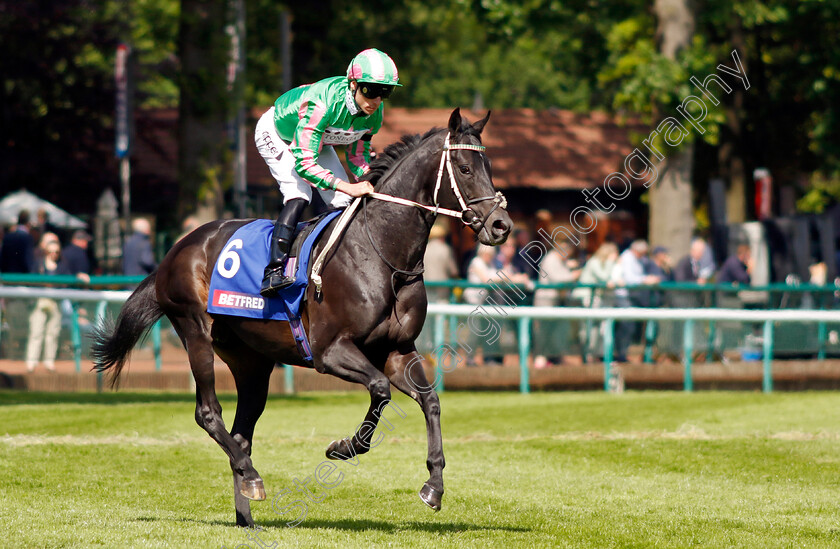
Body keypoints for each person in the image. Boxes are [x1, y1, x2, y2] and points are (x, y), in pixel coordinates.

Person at [255, 48, 400, 296]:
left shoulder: (373, 115)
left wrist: (371, 179)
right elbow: (304, 165)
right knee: (300, 194)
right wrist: (349, 185)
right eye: (371, 90)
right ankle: (273, 272)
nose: (376, 100)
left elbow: (357, 157)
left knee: (345, 203)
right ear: (353, 84)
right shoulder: (322, 103)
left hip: (317, 140)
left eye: (385, 92)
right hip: (277, 133)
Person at [25, 236, 63, 372]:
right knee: (36, 332)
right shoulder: (38, 263)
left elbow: (69, 278)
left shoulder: (62, 265)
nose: (54, 255)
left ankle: (49, 362)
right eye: (51, 252)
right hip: (40, 301)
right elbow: (31, 280)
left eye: (56, 252)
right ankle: (31, 362)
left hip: (55, 302)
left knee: (52, 334)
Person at [423, 222, 459, 303]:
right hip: (442, 287)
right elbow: (454, 271)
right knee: (441, 309)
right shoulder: (446, 249)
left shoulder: (424, 250)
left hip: (426, 285)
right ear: (442, 237)